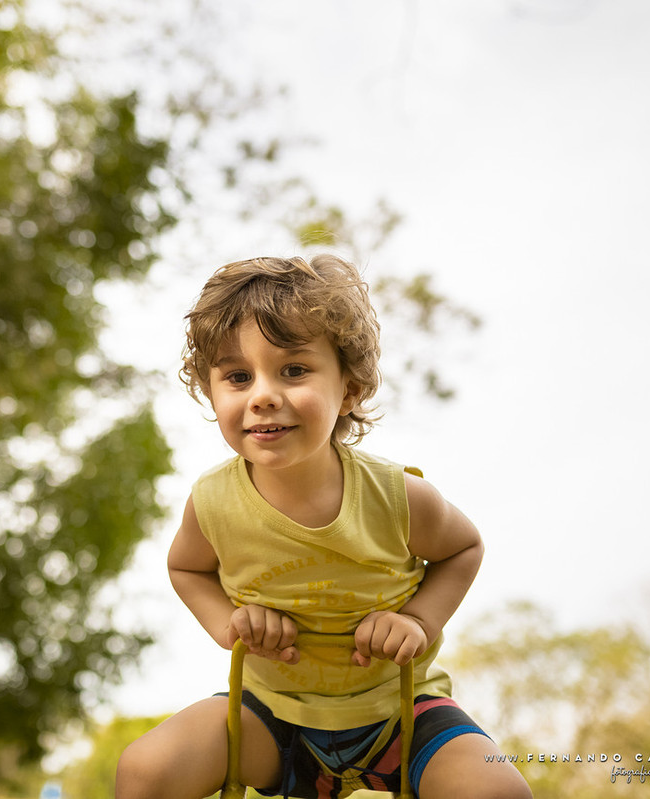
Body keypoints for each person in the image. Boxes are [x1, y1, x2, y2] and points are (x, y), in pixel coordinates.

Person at [115, 255, 530, 799]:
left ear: (350, 388)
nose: (262, 394)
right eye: (238, 376)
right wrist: (231, 624)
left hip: (399, 711)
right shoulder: (212, 502)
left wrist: (419, 622)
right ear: (211, 392)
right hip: (272, 715)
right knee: (144, 771)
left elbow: (463, 548)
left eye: (293, 370)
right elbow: (186, 568)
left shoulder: (397, 497)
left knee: (499, 793)